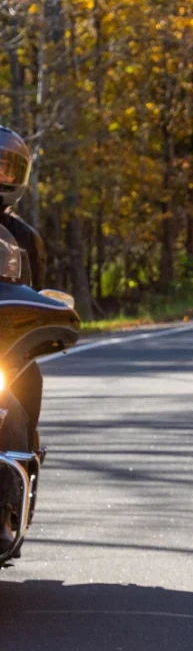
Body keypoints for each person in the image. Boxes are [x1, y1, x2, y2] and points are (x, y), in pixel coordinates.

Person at [0, 126, 45, 548]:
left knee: (28, 380)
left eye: (5, 165)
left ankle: (22, 471)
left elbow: (43, 296)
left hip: (4, 350)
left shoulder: (26, 238)